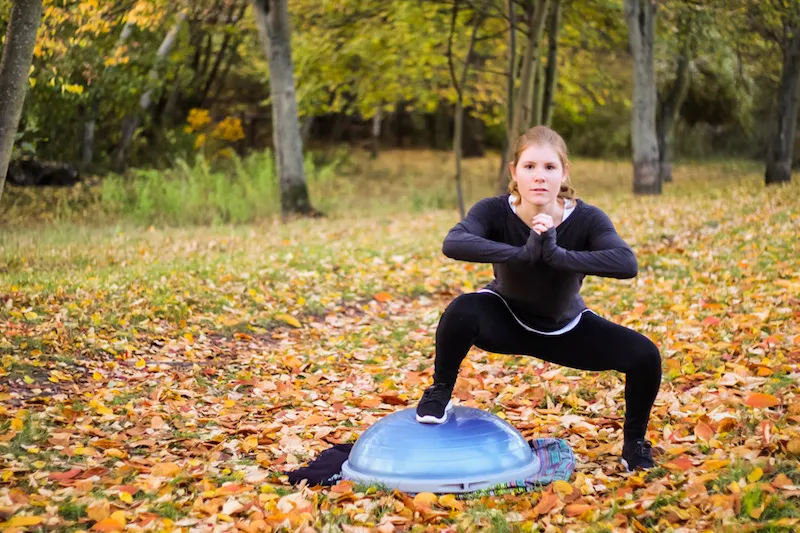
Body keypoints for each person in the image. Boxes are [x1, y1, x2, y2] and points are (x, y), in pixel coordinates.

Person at [415, 126, 661, 472]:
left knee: (645, 355)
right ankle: (440, 391)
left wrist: (557, 255)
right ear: (514, 171)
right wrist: (524, 252)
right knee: (462, 309)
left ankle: (634, 443)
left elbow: (625, 262)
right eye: (529, 167)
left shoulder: (587, 218)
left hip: (566, 329)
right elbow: (454, 242)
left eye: (549, 167)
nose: (539, 177)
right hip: (505, 320)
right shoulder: (494, 210)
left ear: (564, 173)